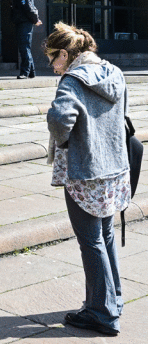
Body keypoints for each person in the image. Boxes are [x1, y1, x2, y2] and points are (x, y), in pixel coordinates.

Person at [46, 22, 130, 337]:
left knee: (91, 241)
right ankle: (112, 300)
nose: (52, 66)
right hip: (114, 170)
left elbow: (59, 118)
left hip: (84, 172)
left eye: (53, 58)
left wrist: (63, 139)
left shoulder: (72, 80)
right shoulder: (113, 72)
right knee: (105, 237)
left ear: (66, 54)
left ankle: (101, 313)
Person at [11, 0, 42, 79]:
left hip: (25, 24)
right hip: (21, 23)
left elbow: (29, 9)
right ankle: (31, 72)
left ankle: (24, 72)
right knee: (25, 48)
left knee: (24, 47)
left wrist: (36, 20)